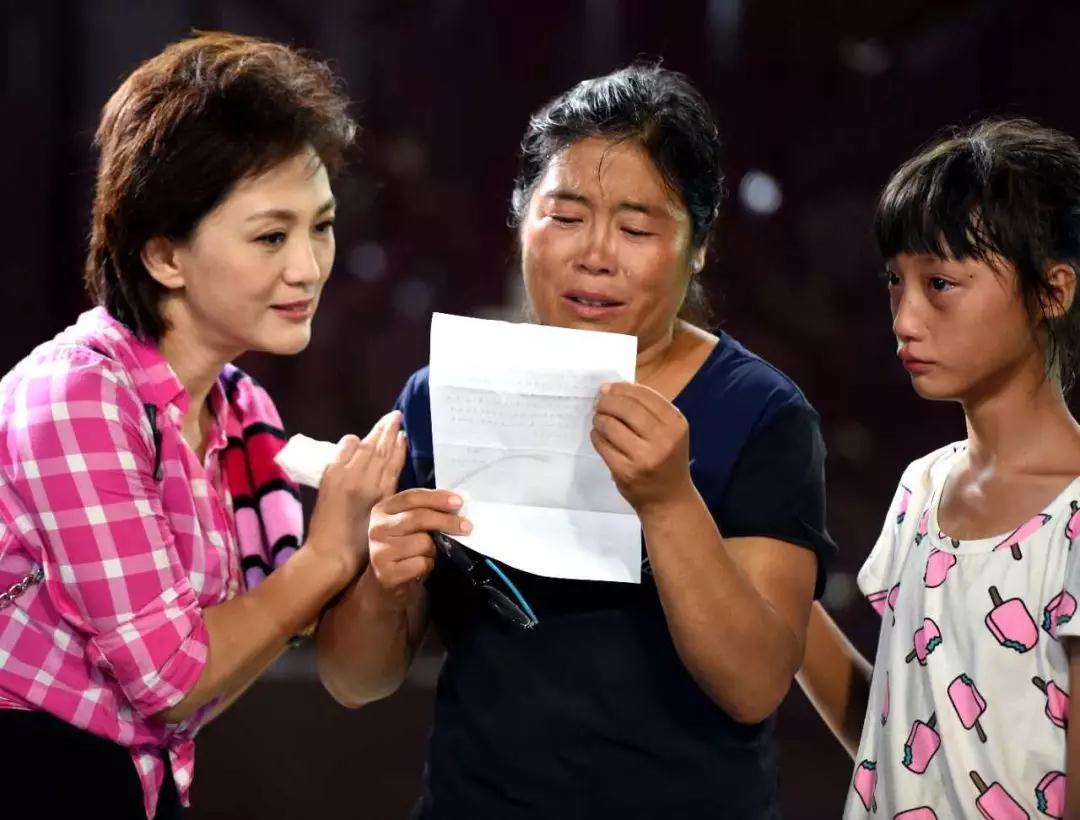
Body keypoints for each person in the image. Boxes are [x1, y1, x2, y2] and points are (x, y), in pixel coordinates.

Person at [317, 64, 836, 819]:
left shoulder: (761, 413)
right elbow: (354, 681)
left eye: (637, 229)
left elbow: (755, 684)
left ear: (697, 246)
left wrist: (669, 501)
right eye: (564, 216)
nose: (596, 254)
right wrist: (381, 586)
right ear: (519, 216)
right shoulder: (444, 394)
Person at [0, 32, 404, 818]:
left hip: (136, 783)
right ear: (164, 256)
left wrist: (377, 546)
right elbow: (171, 679)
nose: (308, 267)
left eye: (321, 226)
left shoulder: (242, 410)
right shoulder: (78, 396)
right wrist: (329, 553)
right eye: (270, 237)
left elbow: (271, 636)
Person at [798, 119, 1080, 817]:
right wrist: (763, 575)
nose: (904, 318)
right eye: (896, 281)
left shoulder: (1073, 517)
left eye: (942, 283)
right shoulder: (922, 487)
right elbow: (896, 733)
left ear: (1052, 291)